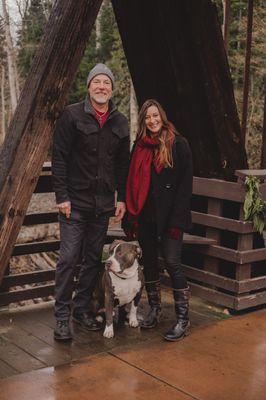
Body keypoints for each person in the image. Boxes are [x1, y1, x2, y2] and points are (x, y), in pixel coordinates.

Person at [52, 63, 130, 341]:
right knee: (69, 258)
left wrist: (121, 198)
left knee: (92, 260)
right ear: (89, 86)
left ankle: (80, 309)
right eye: (96, 82)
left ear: (112, 89)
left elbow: (123, 165)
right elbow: (59, 157)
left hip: (103, 204)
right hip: (74, 203)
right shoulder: (72, 115)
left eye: (106, 83)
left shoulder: (120, 122)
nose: (101, 87)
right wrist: (61, 196)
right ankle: (61, 317)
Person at [125, 99, 193, 341]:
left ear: (162, 117)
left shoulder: (179, 144)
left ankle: (183, 319)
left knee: (173, 263)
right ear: (143, 121)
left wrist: (176, 223)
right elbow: (131, 181)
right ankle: (154, 309)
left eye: (155, 116)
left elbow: (185, 189)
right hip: (146, 217)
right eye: (147, 117)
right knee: (151, 263)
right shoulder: (140, 146)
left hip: (171, 219)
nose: (152, 120)